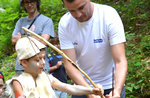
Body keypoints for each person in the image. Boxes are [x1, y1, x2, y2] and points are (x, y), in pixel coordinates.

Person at [58, 0, 128, 98]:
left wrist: (116, 91)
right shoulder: (65, 23)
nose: (78, 15)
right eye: (72, 11)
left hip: (111, 85)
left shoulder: (108, 15)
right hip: (82, 87)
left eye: (81, 8)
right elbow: (70, 64)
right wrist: (89, 92)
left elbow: (120, 61)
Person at [7, 37, 103, 98]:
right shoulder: (18, 82)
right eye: (37, 60)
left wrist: (91, 90)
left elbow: (68, 88)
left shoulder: (47, 78)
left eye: (43, 58)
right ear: (24, 62)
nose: (43, 63)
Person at [11, 0, 55, 75]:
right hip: (21, 67)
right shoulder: (20, 22)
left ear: (37, 2)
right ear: (23, 5)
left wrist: (21, 38)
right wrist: (35, 37)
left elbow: (43, 41)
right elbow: (13, 40)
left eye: (32, 1)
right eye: (26, 2)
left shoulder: (47, 21)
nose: (29, 4)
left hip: (40, 66)